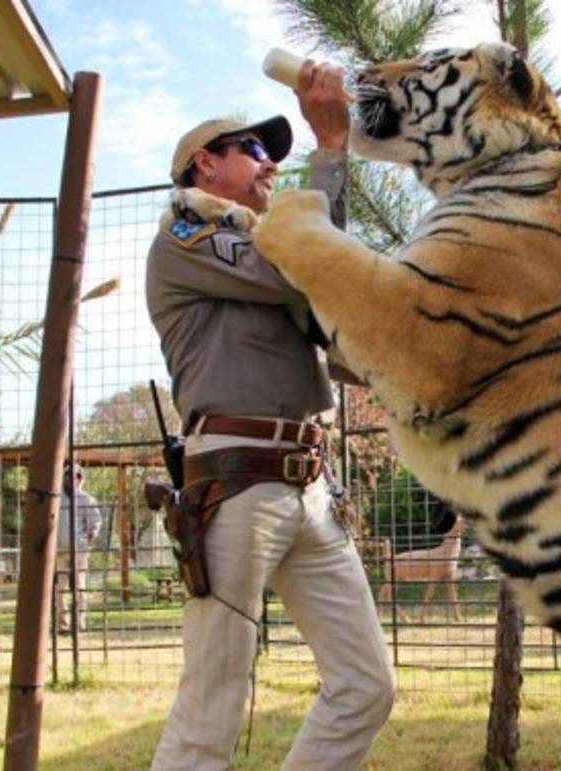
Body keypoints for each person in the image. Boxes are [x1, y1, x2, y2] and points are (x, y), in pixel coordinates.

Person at [146, 60, 396, 770]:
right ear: (205, 164)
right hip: (236, 481)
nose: (270, 166)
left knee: (366, 686)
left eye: (277, 156)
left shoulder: (270, 250)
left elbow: (335, 289)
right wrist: (330, 149)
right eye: (255, 149)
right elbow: (311, 267)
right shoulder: (188, 238)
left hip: (311, 486)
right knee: (210, 708)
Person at [55, 463, 102, 634]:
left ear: (80, 479)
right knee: (60, 589)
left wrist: (91, 536)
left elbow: (95, 522)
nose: (71, 479)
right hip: (59, 550)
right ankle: (63, 623)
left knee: (79, 588)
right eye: (68, 475)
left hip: (80, 550)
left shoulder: (87, 499)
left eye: (76, 476)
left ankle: (79, 622)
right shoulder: (57, 498)